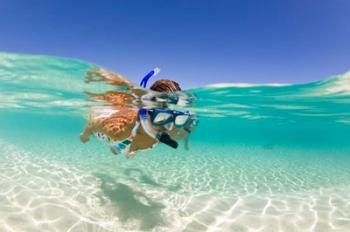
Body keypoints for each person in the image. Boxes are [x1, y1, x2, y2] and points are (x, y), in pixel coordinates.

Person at [80, 68, 197, 157]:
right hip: (104, 127)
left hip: (131, 137)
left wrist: (133, 149)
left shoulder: (165, 125)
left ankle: (130, 146)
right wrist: (85, 135)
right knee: (93, 118)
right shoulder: (121, 129)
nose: (168, 126)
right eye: (163, 117)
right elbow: (93, 125)